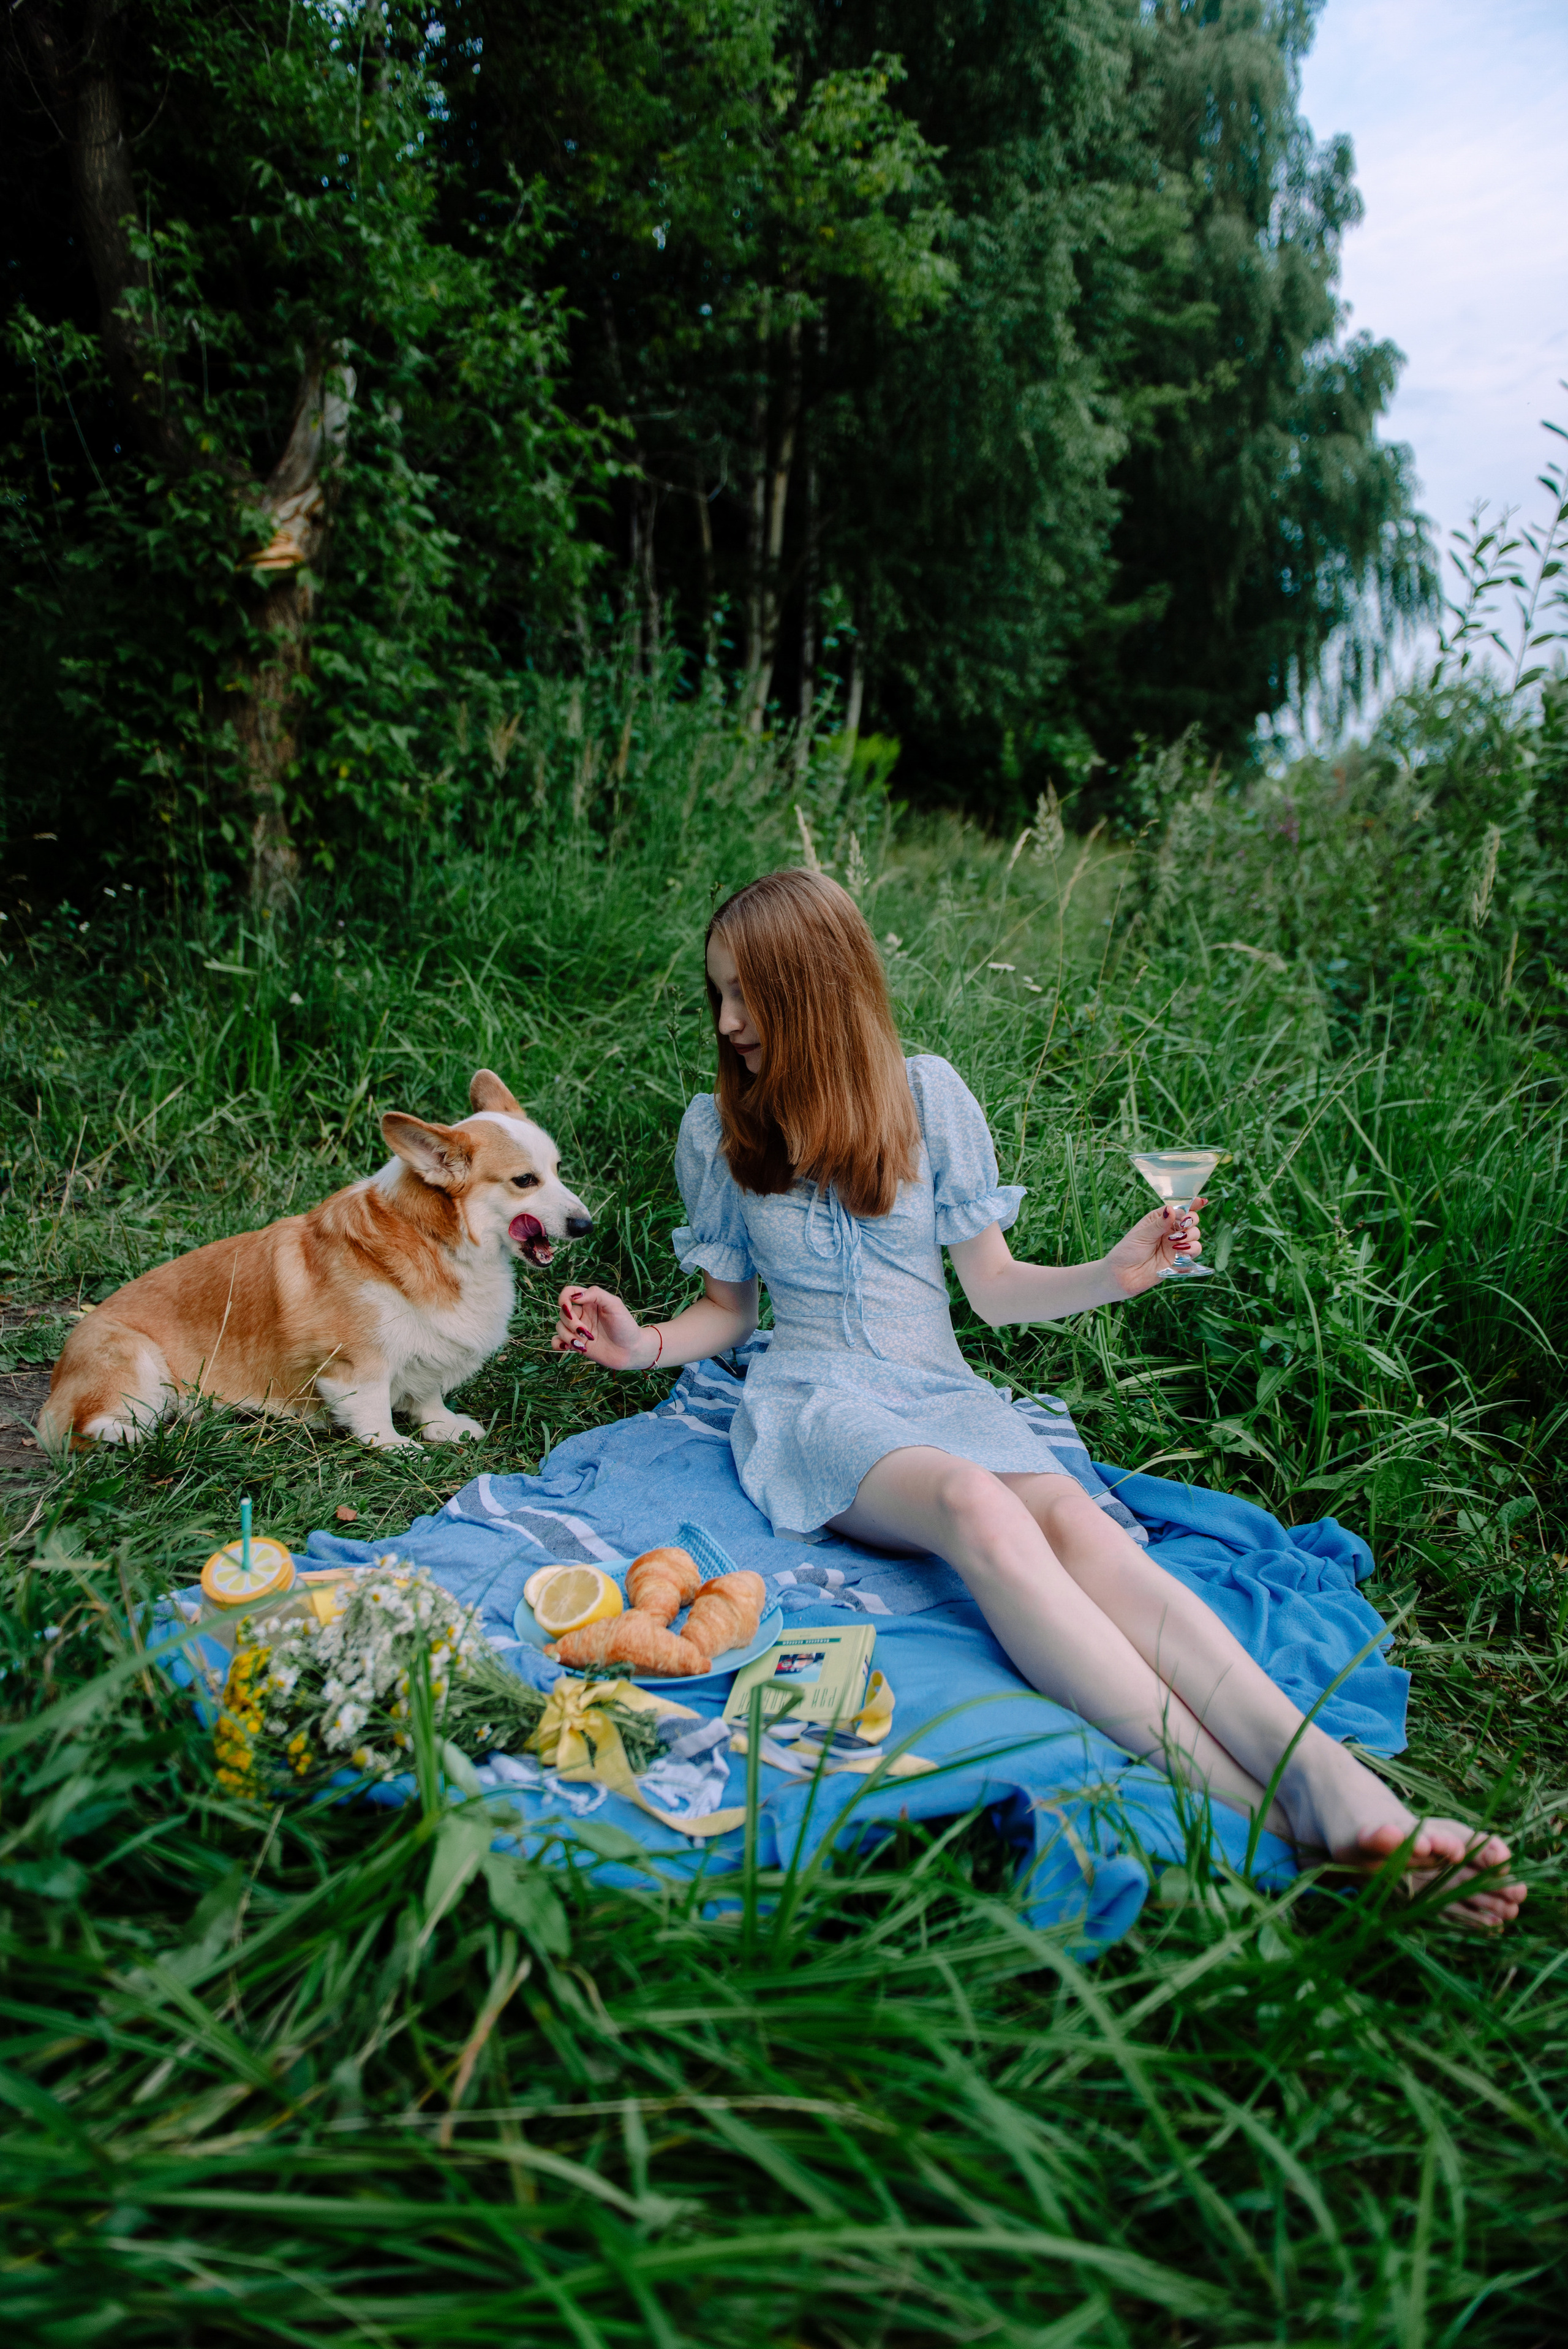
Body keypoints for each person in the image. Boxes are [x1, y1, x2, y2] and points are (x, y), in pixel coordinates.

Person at [554, 869, 1523, 1926]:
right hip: (816, 1404)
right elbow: (730, 1314)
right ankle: (1263, 1817)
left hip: (944, 1389)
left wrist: (1117, 1271)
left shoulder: (926, 1094)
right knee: (979, 1507)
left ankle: (1329, 1781)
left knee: (1080, 1526)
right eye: (720, 995)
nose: (730, 1021)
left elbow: (995, 1289)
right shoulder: (719, 1127)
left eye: (748, 994)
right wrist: (642, 1343)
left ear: (819, 988)